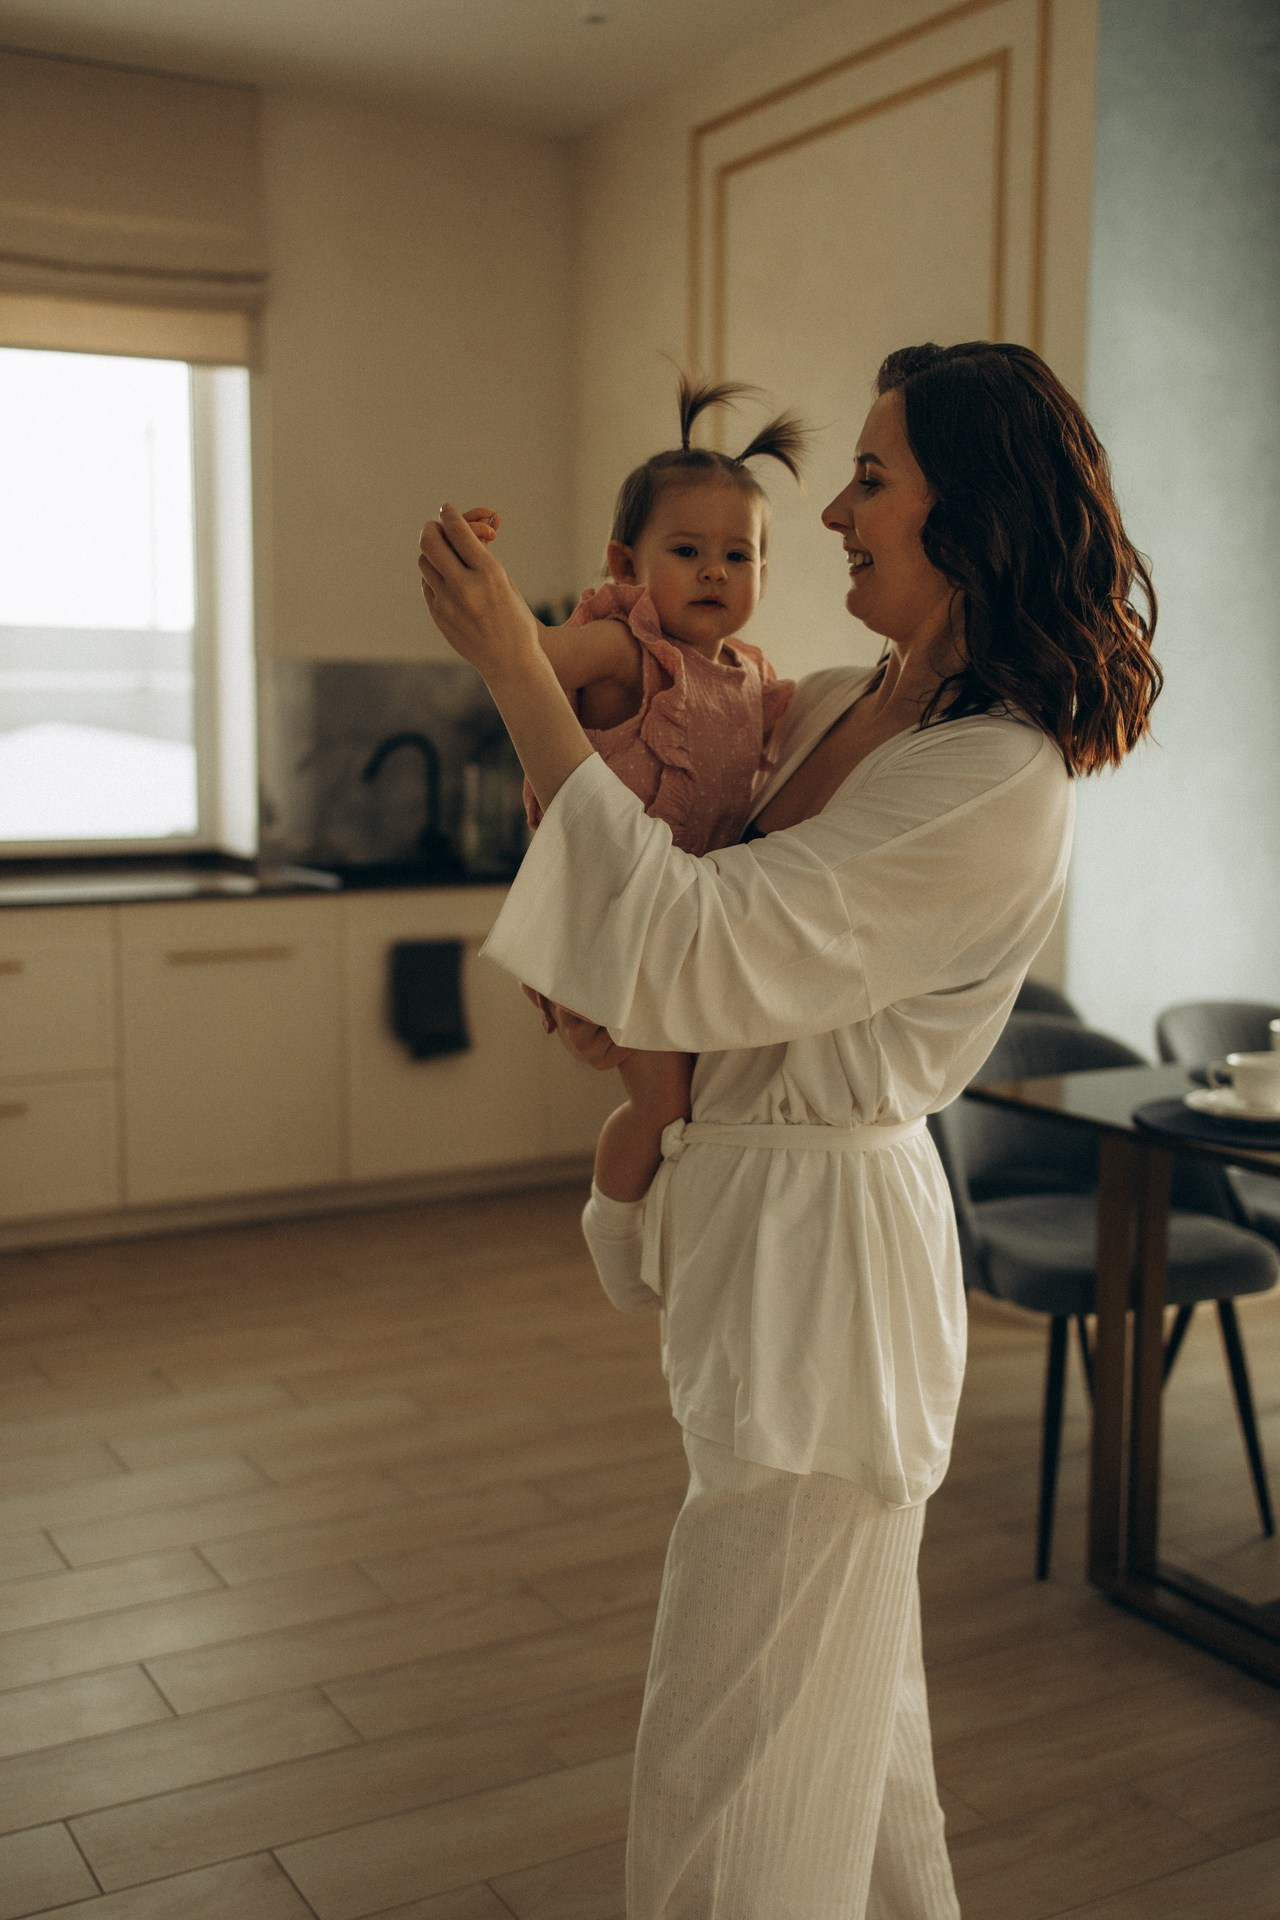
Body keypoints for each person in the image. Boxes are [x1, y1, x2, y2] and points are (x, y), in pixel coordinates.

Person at [418, 340, 1161, 1920]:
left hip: (831, 1270)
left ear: (975, 513)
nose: (829, 510)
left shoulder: (990, 776)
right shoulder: (846, 705)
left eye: (874, 475)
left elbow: (689, 939)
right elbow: (666, 801)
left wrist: (515, 674)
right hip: (773, 1238)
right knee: (842, 1714)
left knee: (736, 1750)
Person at [465, 377, 801, 1232]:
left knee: (700, 1105)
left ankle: (673, 1235)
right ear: (625, 565)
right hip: (615, 915)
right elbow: (528, 656)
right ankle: (614, 1233)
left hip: (682, 924)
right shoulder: (626, 648)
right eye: (687, 551)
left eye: (740, 555)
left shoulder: (755, 678)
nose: (716, 572)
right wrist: (482, 584)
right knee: (662, 1107)